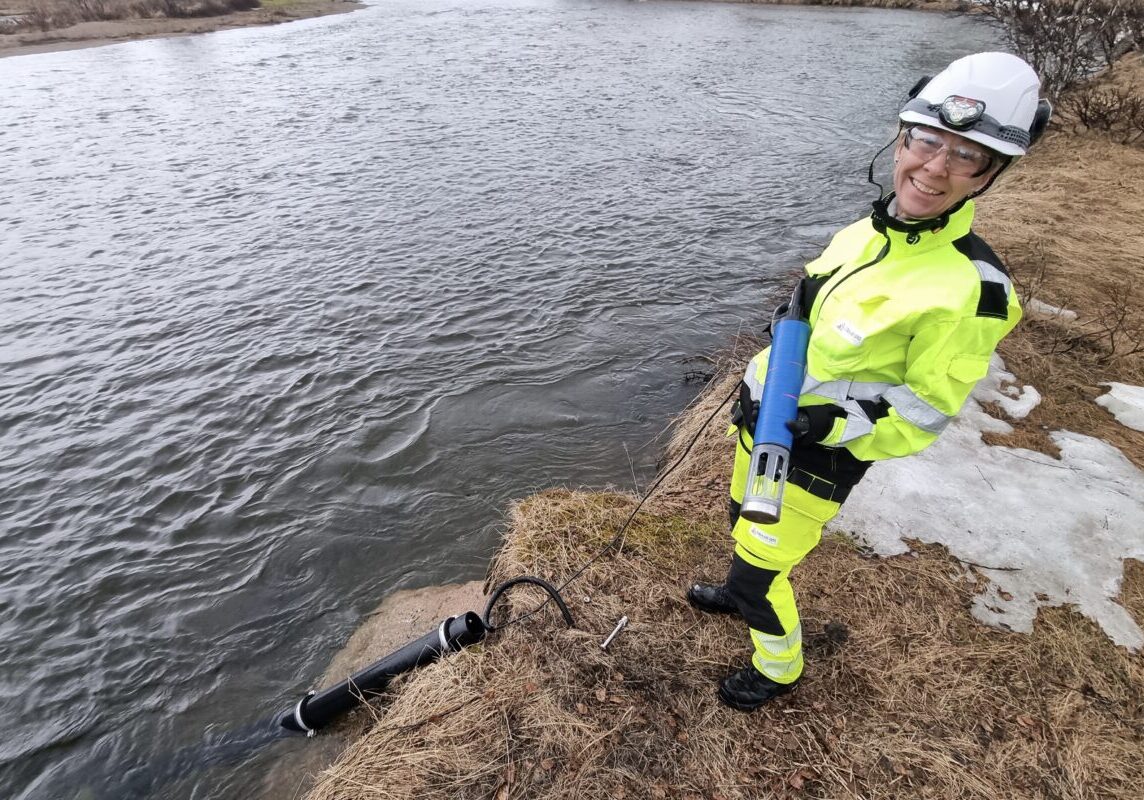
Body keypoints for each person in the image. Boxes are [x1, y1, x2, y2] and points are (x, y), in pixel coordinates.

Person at [688, 52, 1052, 711]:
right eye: (926, 140)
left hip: (816, 455)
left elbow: (927, 409)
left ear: (992, 173)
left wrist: (828, 423)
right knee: (743, 520)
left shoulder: (974, 288)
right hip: (763, 420)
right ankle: (741, 577)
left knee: (761, 574)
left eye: (965, 156)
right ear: (903, 136)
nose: (933, 167)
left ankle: (778, 666)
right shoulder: (872, 227)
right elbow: (817, 305)